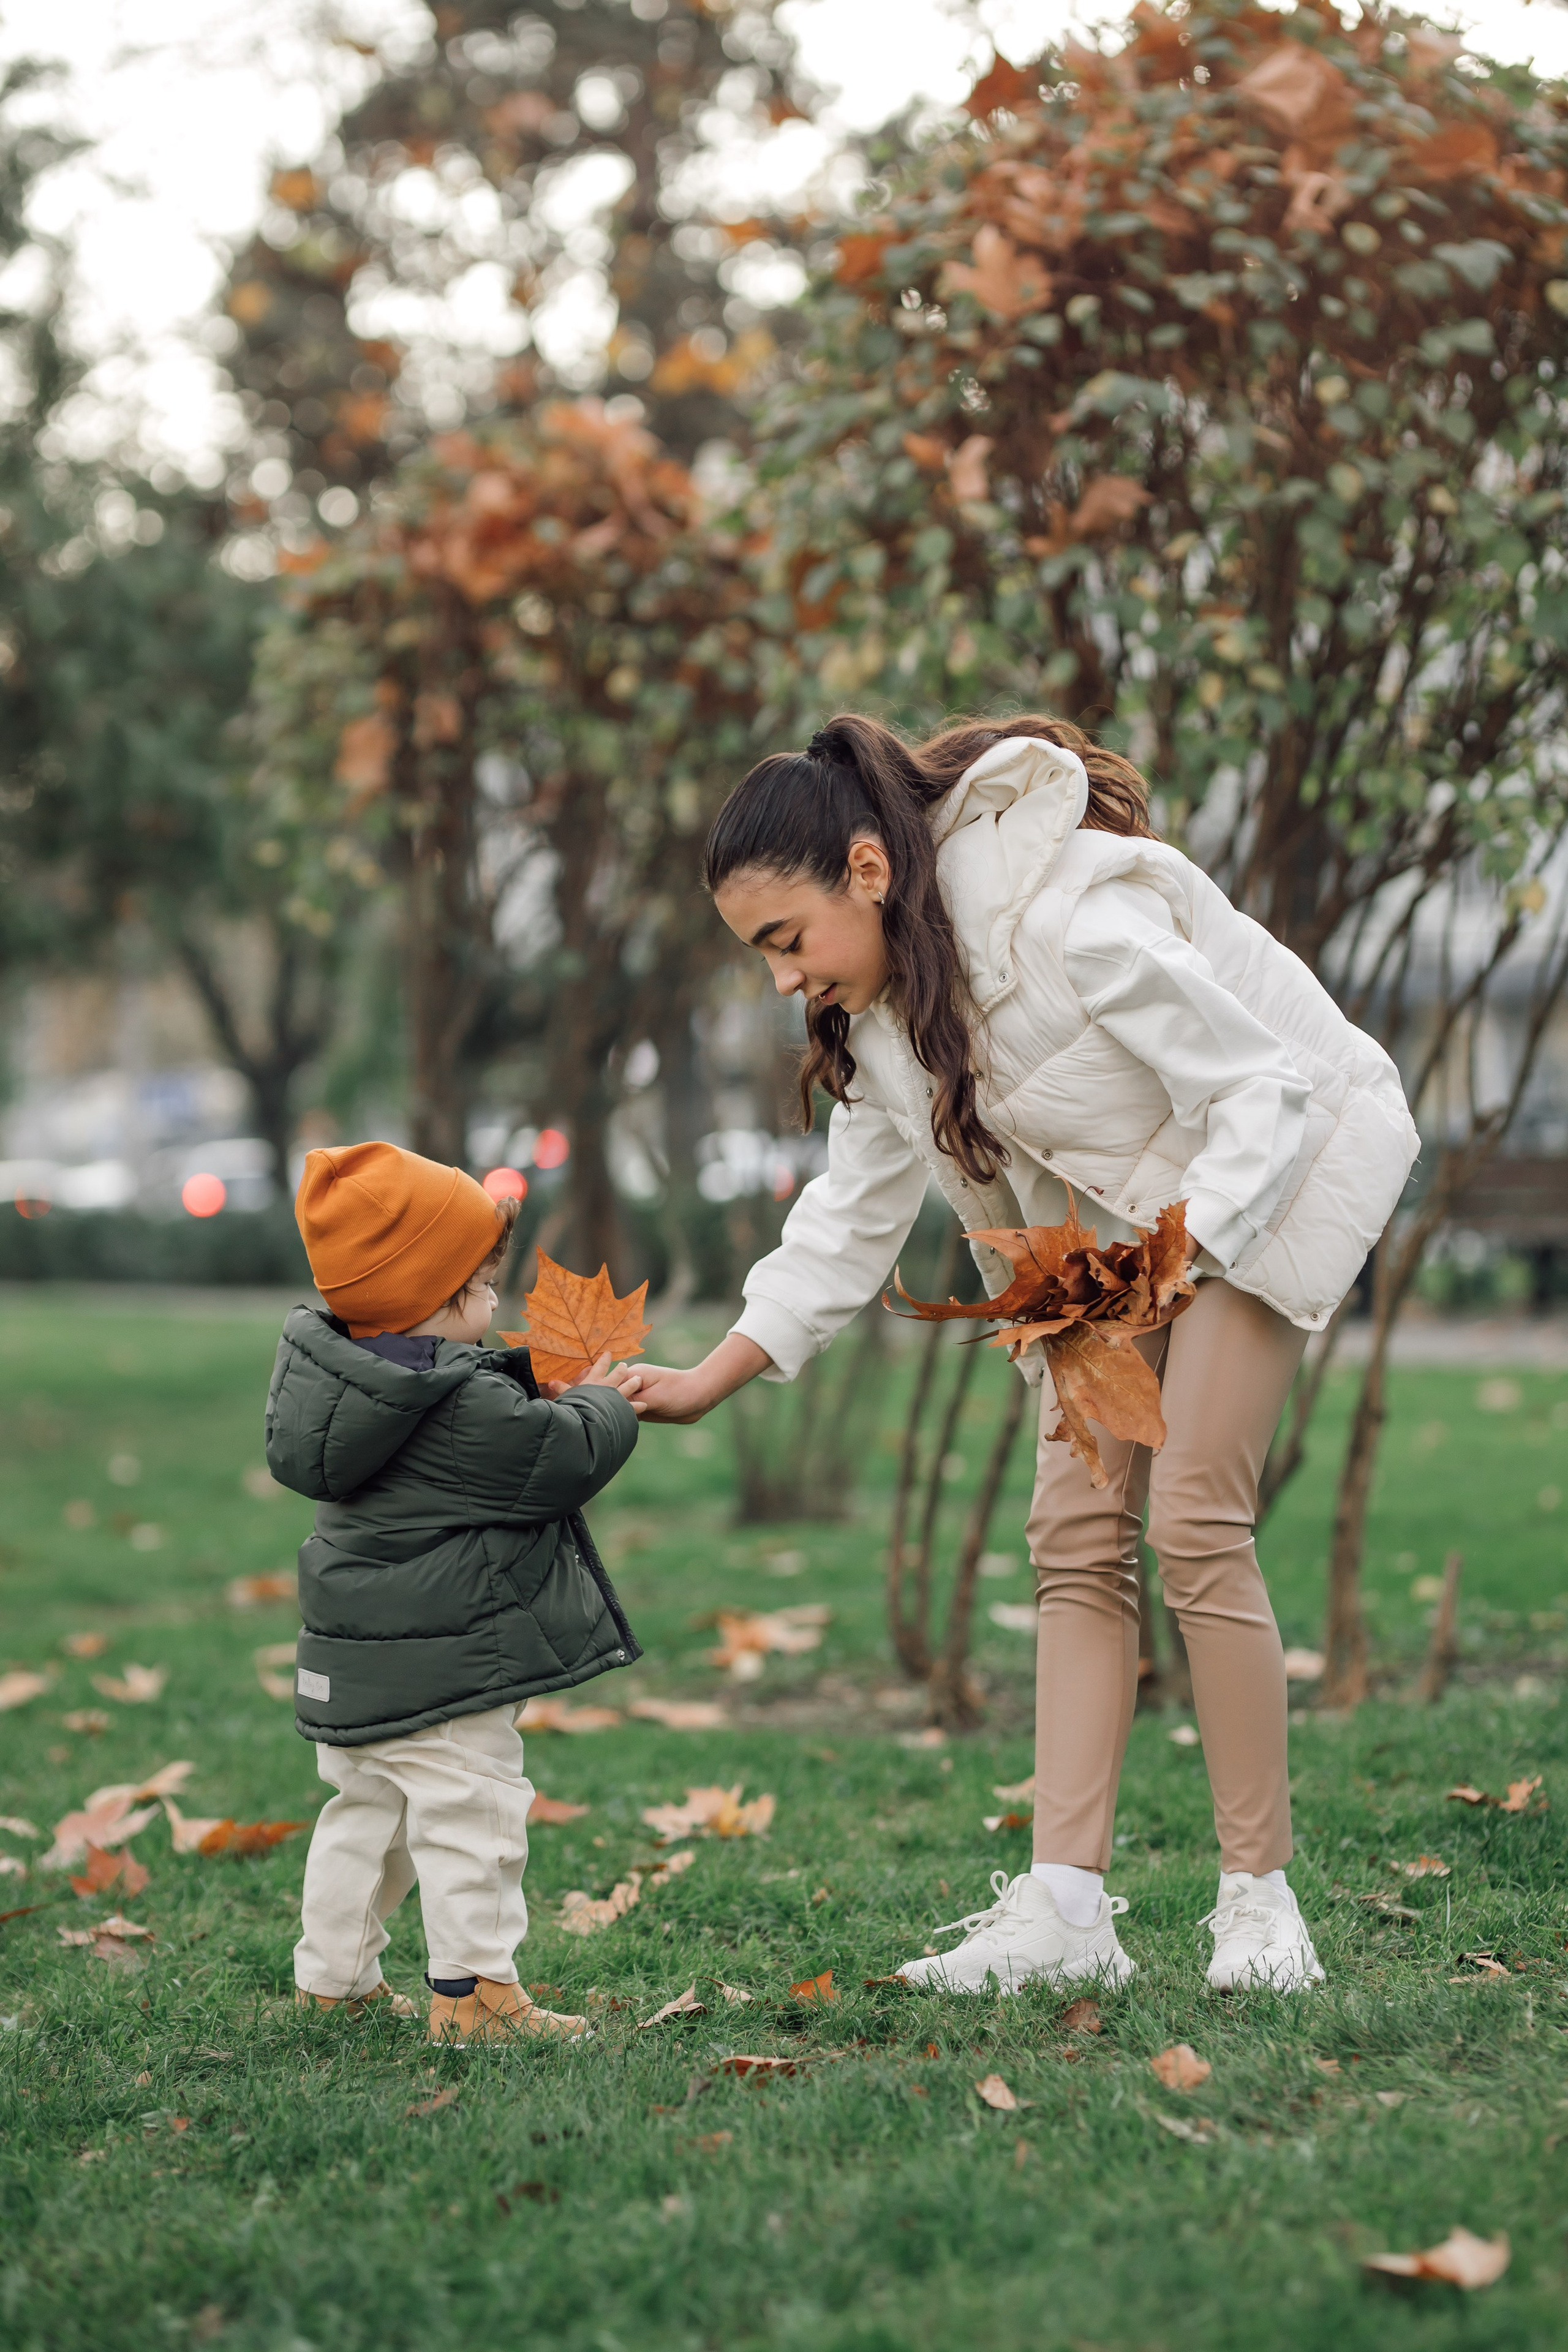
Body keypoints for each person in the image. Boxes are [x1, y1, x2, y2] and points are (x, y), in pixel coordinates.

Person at [623, 714, 1418, 1994]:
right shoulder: (884, 1019)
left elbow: (1258, 1094)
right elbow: (848, 1215)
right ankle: (1064, 1916)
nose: (780, 979)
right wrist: (716, 1373)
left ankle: (1259, 1910)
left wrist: (1177, 1264)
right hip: (1116, 1240)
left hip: (1281, 1162)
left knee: (1196, 1517)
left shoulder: (1071, 921)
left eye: (785, 940)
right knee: (1073, 1540)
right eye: (757, 956)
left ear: (869, 873)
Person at [268, 1140, 643, 2045]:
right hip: (446, 1668)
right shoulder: (455, 1402)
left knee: (368, 1817)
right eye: (481, 1288)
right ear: (432, 1300)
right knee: (473, 1817)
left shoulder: (343, 1385)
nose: (494, 1304)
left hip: (359, 1664)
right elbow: (560, 1458)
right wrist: (603, 1401)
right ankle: (475, 1996)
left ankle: (334, 1980)